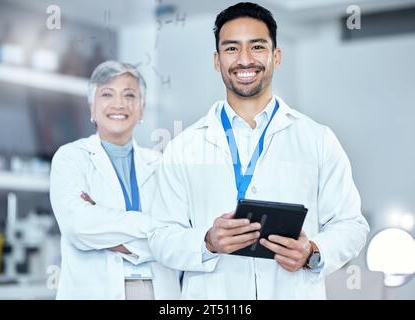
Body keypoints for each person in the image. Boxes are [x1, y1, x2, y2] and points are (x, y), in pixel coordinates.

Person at [148, 2, 370, 299]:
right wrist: (207, 241)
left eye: (257, 47)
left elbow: (351, 225)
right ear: (217, 60)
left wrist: (313, 252)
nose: (244, 60)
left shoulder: (317, 139)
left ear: (276, 56)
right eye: (231, 49)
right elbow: (160, 236)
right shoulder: (183, 147)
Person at [50, 61, 181, 300]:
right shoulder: (70, 157)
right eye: (107, 94)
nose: (119, 104)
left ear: (141, 109)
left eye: (129, 95)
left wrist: (101, 218)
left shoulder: (164, 165)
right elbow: (78, 228)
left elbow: (180, 235)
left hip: (159, 292)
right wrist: (156, 230)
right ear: (92, 107)